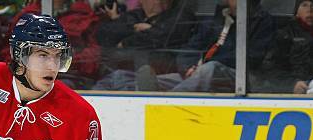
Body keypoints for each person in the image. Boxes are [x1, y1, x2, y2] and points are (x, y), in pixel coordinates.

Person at [94, 0, 274, 92]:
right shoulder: (217, 18)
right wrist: (187, 66)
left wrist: (199, 67)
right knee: (121, 77)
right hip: (198, 73)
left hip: (236, 75)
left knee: (209, 69)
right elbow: (192, 46)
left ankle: (166, 102)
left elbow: (250, 56)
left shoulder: (262, 21)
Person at [1, 0, 103, 89]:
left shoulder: (83, 13)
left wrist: (66, 59)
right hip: (28, 76)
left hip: (72, 77)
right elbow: (9, 52)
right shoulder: (27, 16)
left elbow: (94, 55)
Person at [93, 0, 195, 88]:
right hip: (123, 70)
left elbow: (163, 37)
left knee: (120, 80)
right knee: (110, 82)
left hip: (160, 70)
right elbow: (105, 34)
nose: (159, 1)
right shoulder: (134, 16)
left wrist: (126, 42)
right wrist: (134, 29)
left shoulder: (180, 16)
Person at [263, 0, 313, 94]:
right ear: (297, 11)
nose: (309, 10)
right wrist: (291, 84)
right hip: (295, 95)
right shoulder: (284, 35)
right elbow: (270, 69)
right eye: (304, 5)